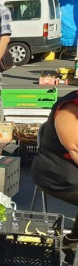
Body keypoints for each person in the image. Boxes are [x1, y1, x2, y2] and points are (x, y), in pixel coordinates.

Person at [32, 91, 78, 248]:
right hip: (58, 174)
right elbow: (75, 149)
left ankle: (73, 241)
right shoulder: (70, 108)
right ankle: (72, 242)